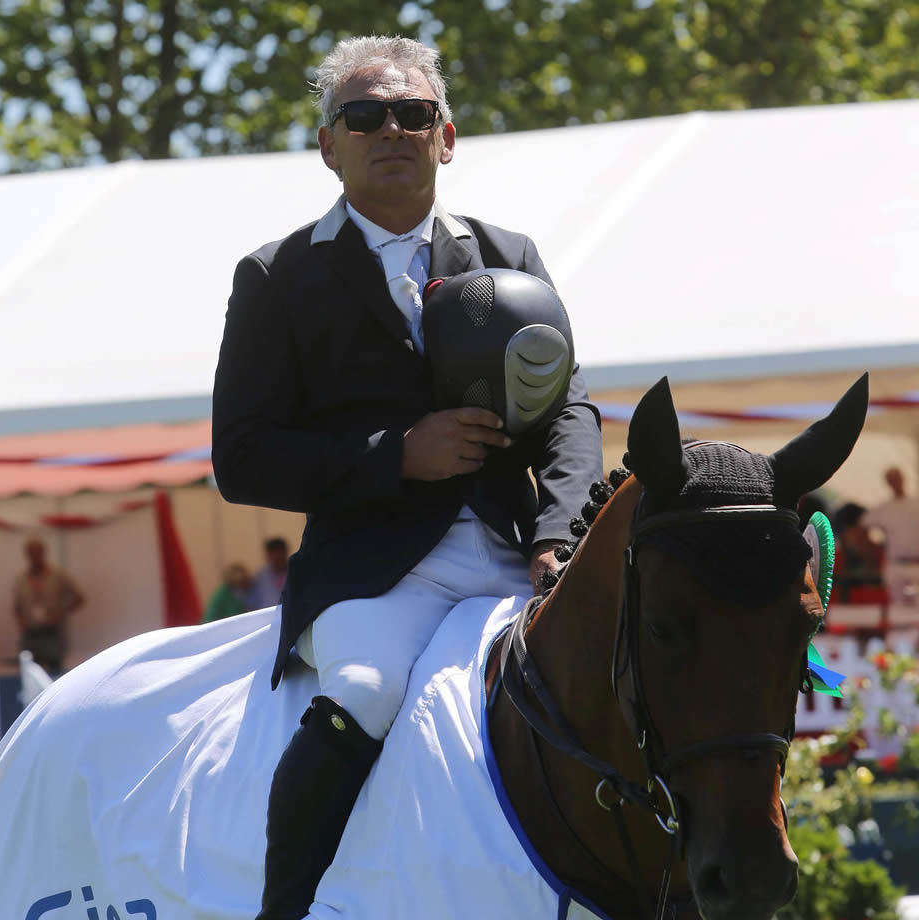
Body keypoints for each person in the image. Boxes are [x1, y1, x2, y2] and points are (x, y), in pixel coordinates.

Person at [212, 35, 603, 920]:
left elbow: (570, 412)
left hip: (519, 554)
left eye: (412, 113)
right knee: (364, 695)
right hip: (375, 574)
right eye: (364, 114)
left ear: (447, 136)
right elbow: (241, 458)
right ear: (329, 145)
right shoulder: (276, 277)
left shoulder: (512, 252)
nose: (391, 128)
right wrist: (398, 455)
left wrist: (558, 537)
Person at [13, 538, 85, 674]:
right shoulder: (21, 579)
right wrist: (21, 623)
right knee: (30, 673)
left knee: (55, 672)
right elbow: (16, 607)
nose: (34, 557)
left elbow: (79, 598)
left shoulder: (57, 576)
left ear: (43, 553)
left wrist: (61, 614)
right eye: (31, 554)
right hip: (30, 634)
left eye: (37, 553)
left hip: (52, 633)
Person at [863, 466, 919, 604]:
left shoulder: (915, 504)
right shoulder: (884, 508)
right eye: (891, 480)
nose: (895, 482)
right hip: (895, 564)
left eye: (897, 478)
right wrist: (872, 550)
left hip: (916, 563)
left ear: (903, 479)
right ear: (888, 483)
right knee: (898, 609)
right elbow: (862, 527)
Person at [831, 501, 884, 603]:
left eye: (866, 532)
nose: (865, 538)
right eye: (858, 531)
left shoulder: (884, 556)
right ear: (843, 534)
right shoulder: (832, 562)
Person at [248, 538, 289, 610]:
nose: (277, 557)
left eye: (280, 555)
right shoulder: (261, 576)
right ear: (268, 555)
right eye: (273, 555)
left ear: (285, 552)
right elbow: (251, 603)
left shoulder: (297, 571)